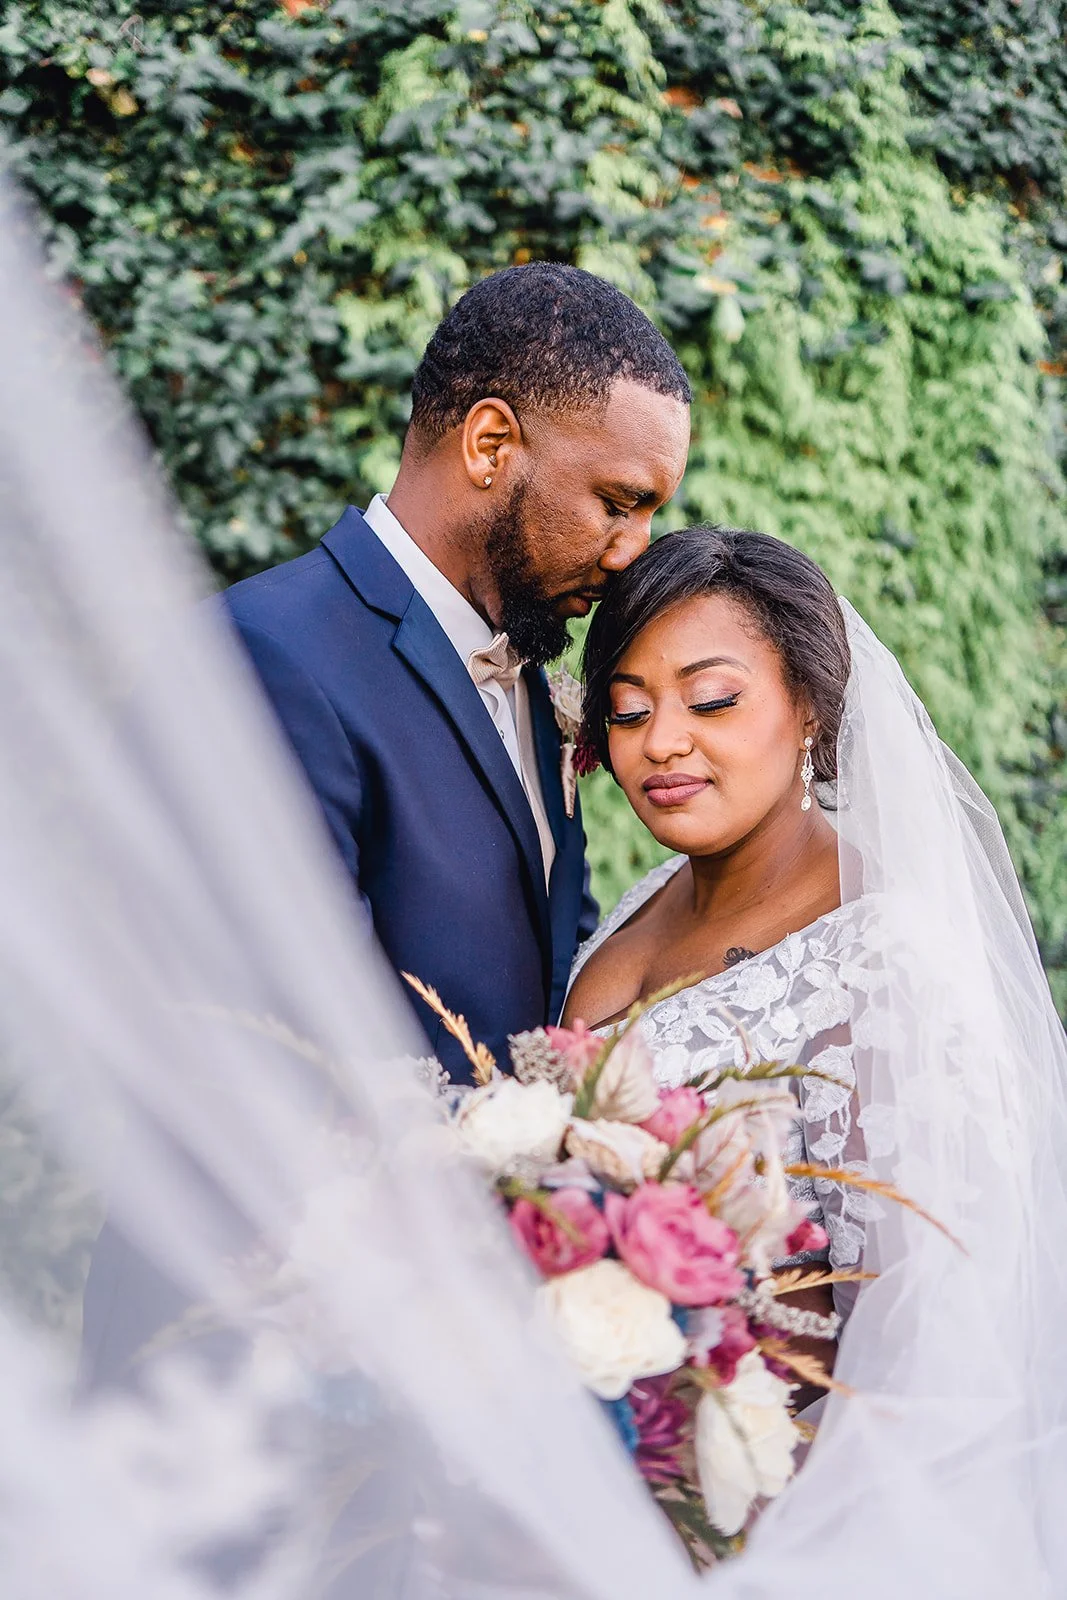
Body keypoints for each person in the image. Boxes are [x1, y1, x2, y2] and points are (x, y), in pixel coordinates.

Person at [221, 262, 691, 1079]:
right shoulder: (265, 655)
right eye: (618, 503)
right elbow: (278, 1052)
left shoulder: (527, 673)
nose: (632, 556)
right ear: (489, 444)